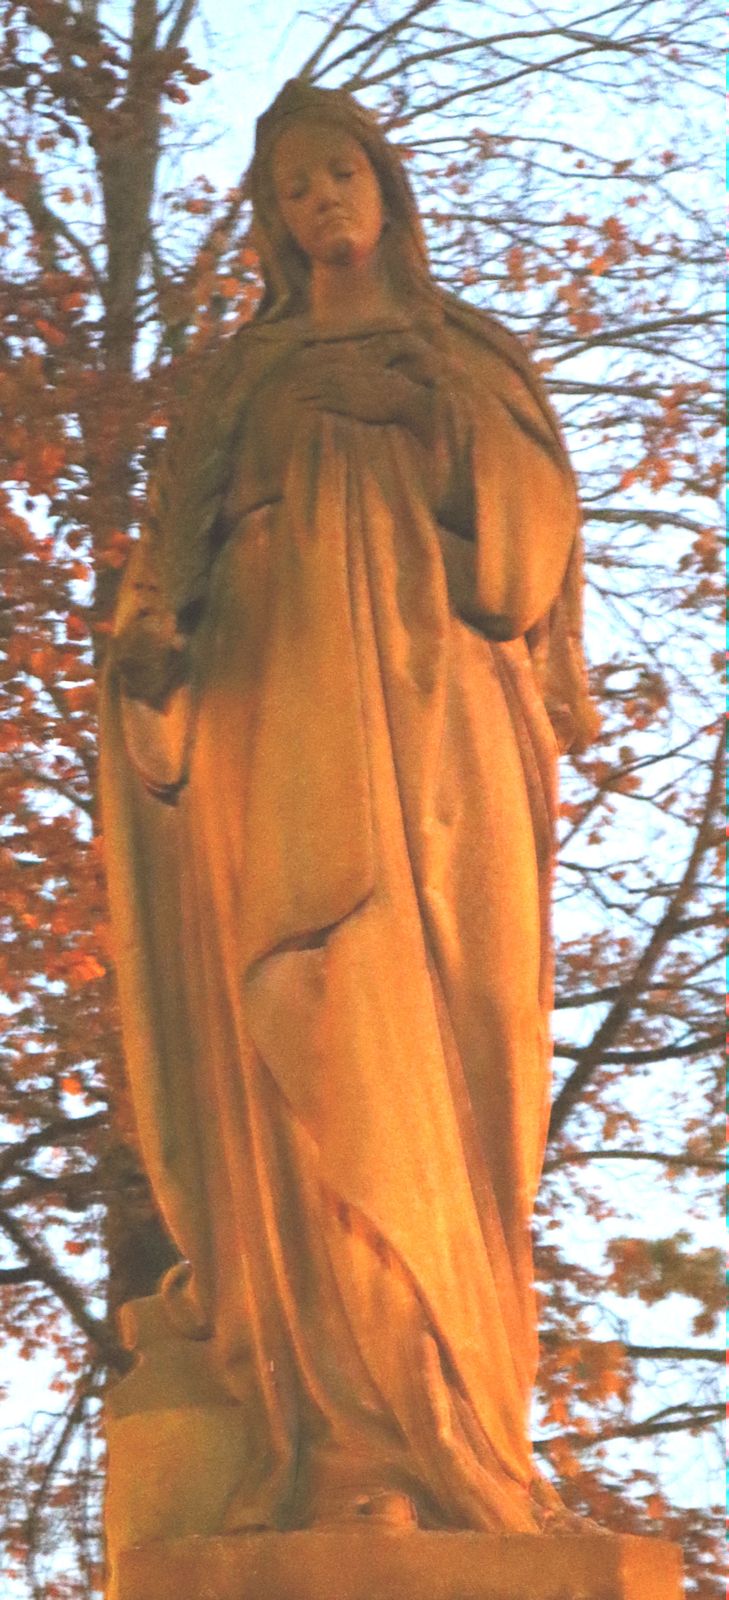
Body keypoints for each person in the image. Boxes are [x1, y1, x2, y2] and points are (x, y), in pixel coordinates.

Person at [100, 78, 595, 1536]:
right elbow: (161, 595)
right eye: (293, 186)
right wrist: (147, 665)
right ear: (272, 218)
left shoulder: (465, 358)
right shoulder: (235, 388)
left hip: (442, 745)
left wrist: (425, 426)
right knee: (293, 1035)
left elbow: (523, 576)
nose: (320, 202)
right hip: (277, 730)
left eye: (338, 174)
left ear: (384, 190)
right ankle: (323, 1439)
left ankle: (450, 1441)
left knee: (432, 1039)